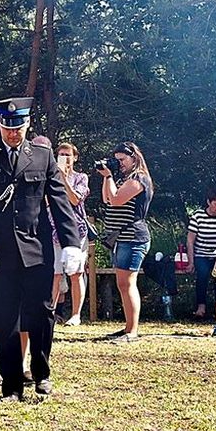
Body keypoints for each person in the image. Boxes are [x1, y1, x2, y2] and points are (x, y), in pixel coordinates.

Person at [0, 99, 82, 400]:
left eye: (18, 127)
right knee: (4, 316)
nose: (13, 133)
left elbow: (60, 202)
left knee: (41, 313)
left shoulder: (42, 155)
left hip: (36, 249)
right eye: (7, 127)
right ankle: (11, 383)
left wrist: (71, 244)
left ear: (27, 124)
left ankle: (41, 373)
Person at [97, 141, 154, 342]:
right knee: (123, 284)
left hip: (133, 238)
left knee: (128, 284)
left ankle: (132, 331)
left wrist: (109, 176)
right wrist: (107, 177)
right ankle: (128, 328)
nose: (119, 163)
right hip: (122, 239)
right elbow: (107, 198)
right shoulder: (124, 179)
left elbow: (116, 200)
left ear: (134, 158)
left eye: (122, 159)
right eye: (117, 160)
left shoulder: (139, 178)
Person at [54, 142, 90, 325]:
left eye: (68, 155)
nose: (65, 158)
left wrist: (64, 179)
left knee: (76, 273)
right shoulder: (51, 177)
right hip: (53, 230)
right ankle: (50, 313)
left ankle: (75, 315)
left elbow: (75, 199)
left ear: (75, 157)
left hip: (76, 231)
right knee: (55, 273)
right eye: (61, 154)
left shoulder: (81, 178)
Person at [186, 186, 216, 319]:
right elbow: (190, 241)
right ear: (209, 202)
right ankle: (201, 306)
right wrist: (191, 262)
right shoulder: (198, 216)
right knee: (203, 274)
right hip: (202, 255)